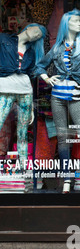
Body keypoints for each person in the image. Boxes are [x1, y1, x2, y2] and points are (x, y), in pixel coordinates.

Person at [34, 9, 80, 194]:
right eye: (75, 21)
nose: (79, 23)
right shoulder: (58, 47)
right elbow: (40, 66)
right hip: (57, 96)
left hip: (77, 97)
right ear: (67, 24)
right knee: (62, 139)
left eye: (79, 20)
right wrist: (47, 78)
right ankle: (67, 178)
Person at [0, 23, 46, 171]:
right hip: (5, 89)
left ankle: (23, 169)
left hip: (25, 92)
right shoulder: (3, 39)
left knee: (22, 132)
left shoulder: (32, 52)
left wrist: (32, 106)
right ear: (29, 27)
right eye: (36, 31)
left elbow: (30, 76)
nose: (36, 35)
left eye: (39, 35)